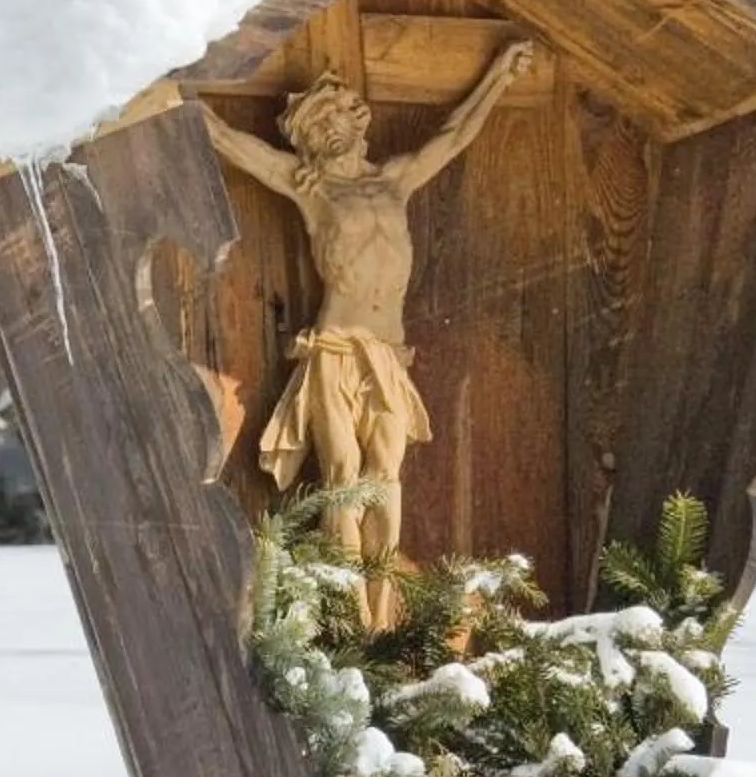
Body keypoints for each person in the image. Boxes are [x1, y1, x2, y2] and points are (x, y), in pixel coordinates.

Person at [201, 39, 536, 624]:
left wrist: (499, 78)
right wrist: (171, 92)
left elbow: (455, 135)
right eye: (315, 124)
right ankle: (347, 609)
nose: (327, 129)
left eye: (334, 117)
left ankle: (381, 610)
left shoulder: (396, 180)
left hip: (387, 355)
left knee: (385, 478)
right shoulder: (310, 186)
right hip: (333, 353)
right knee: (343, 479)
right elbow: (231, 143)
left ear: (358, 124)